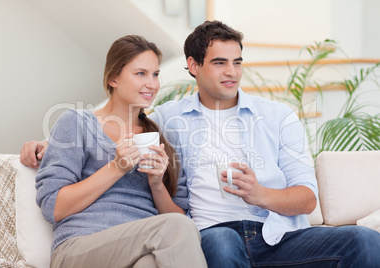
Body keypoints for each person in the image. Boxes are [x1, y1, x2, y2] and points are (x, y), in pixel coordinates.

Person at [21, 22, 380, 268]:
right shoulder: (168, 119)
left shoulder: (275, 116)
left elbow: (308, 197)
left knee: (364, 241)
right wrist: (47, 145)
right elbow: (96, 129)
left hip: (277, 235)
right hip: (211, 235)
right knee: (211, 240)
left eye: (237, 62)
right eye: (220, 62)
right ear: (193, 66)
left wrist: (260, 194)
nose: (232, 73)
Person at [31, 35, 207, 268]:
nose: (152, 84)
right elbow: (53, 207)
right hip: (79, 248)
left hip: (141, 248)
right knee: (178, 228)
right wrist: (116, 168)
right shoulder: (77, 123)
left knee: (151, 263)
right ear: (113, 78)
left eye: (155, 74)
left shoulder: (164, 138)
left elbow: (178, 217)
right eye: (140, 73)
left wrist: (156, 184)